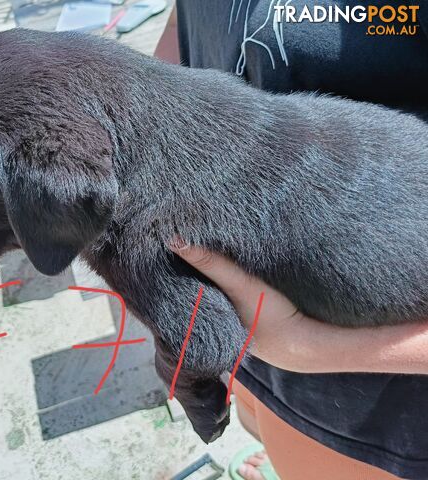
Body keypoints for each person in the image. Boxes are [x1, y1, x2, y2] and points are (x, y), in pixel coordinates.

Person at [155, 2, 428, 479]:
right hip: (251, 338)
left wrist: (311, 346)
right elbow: (187, 21)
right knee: (253, 424)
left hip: (370, 391)